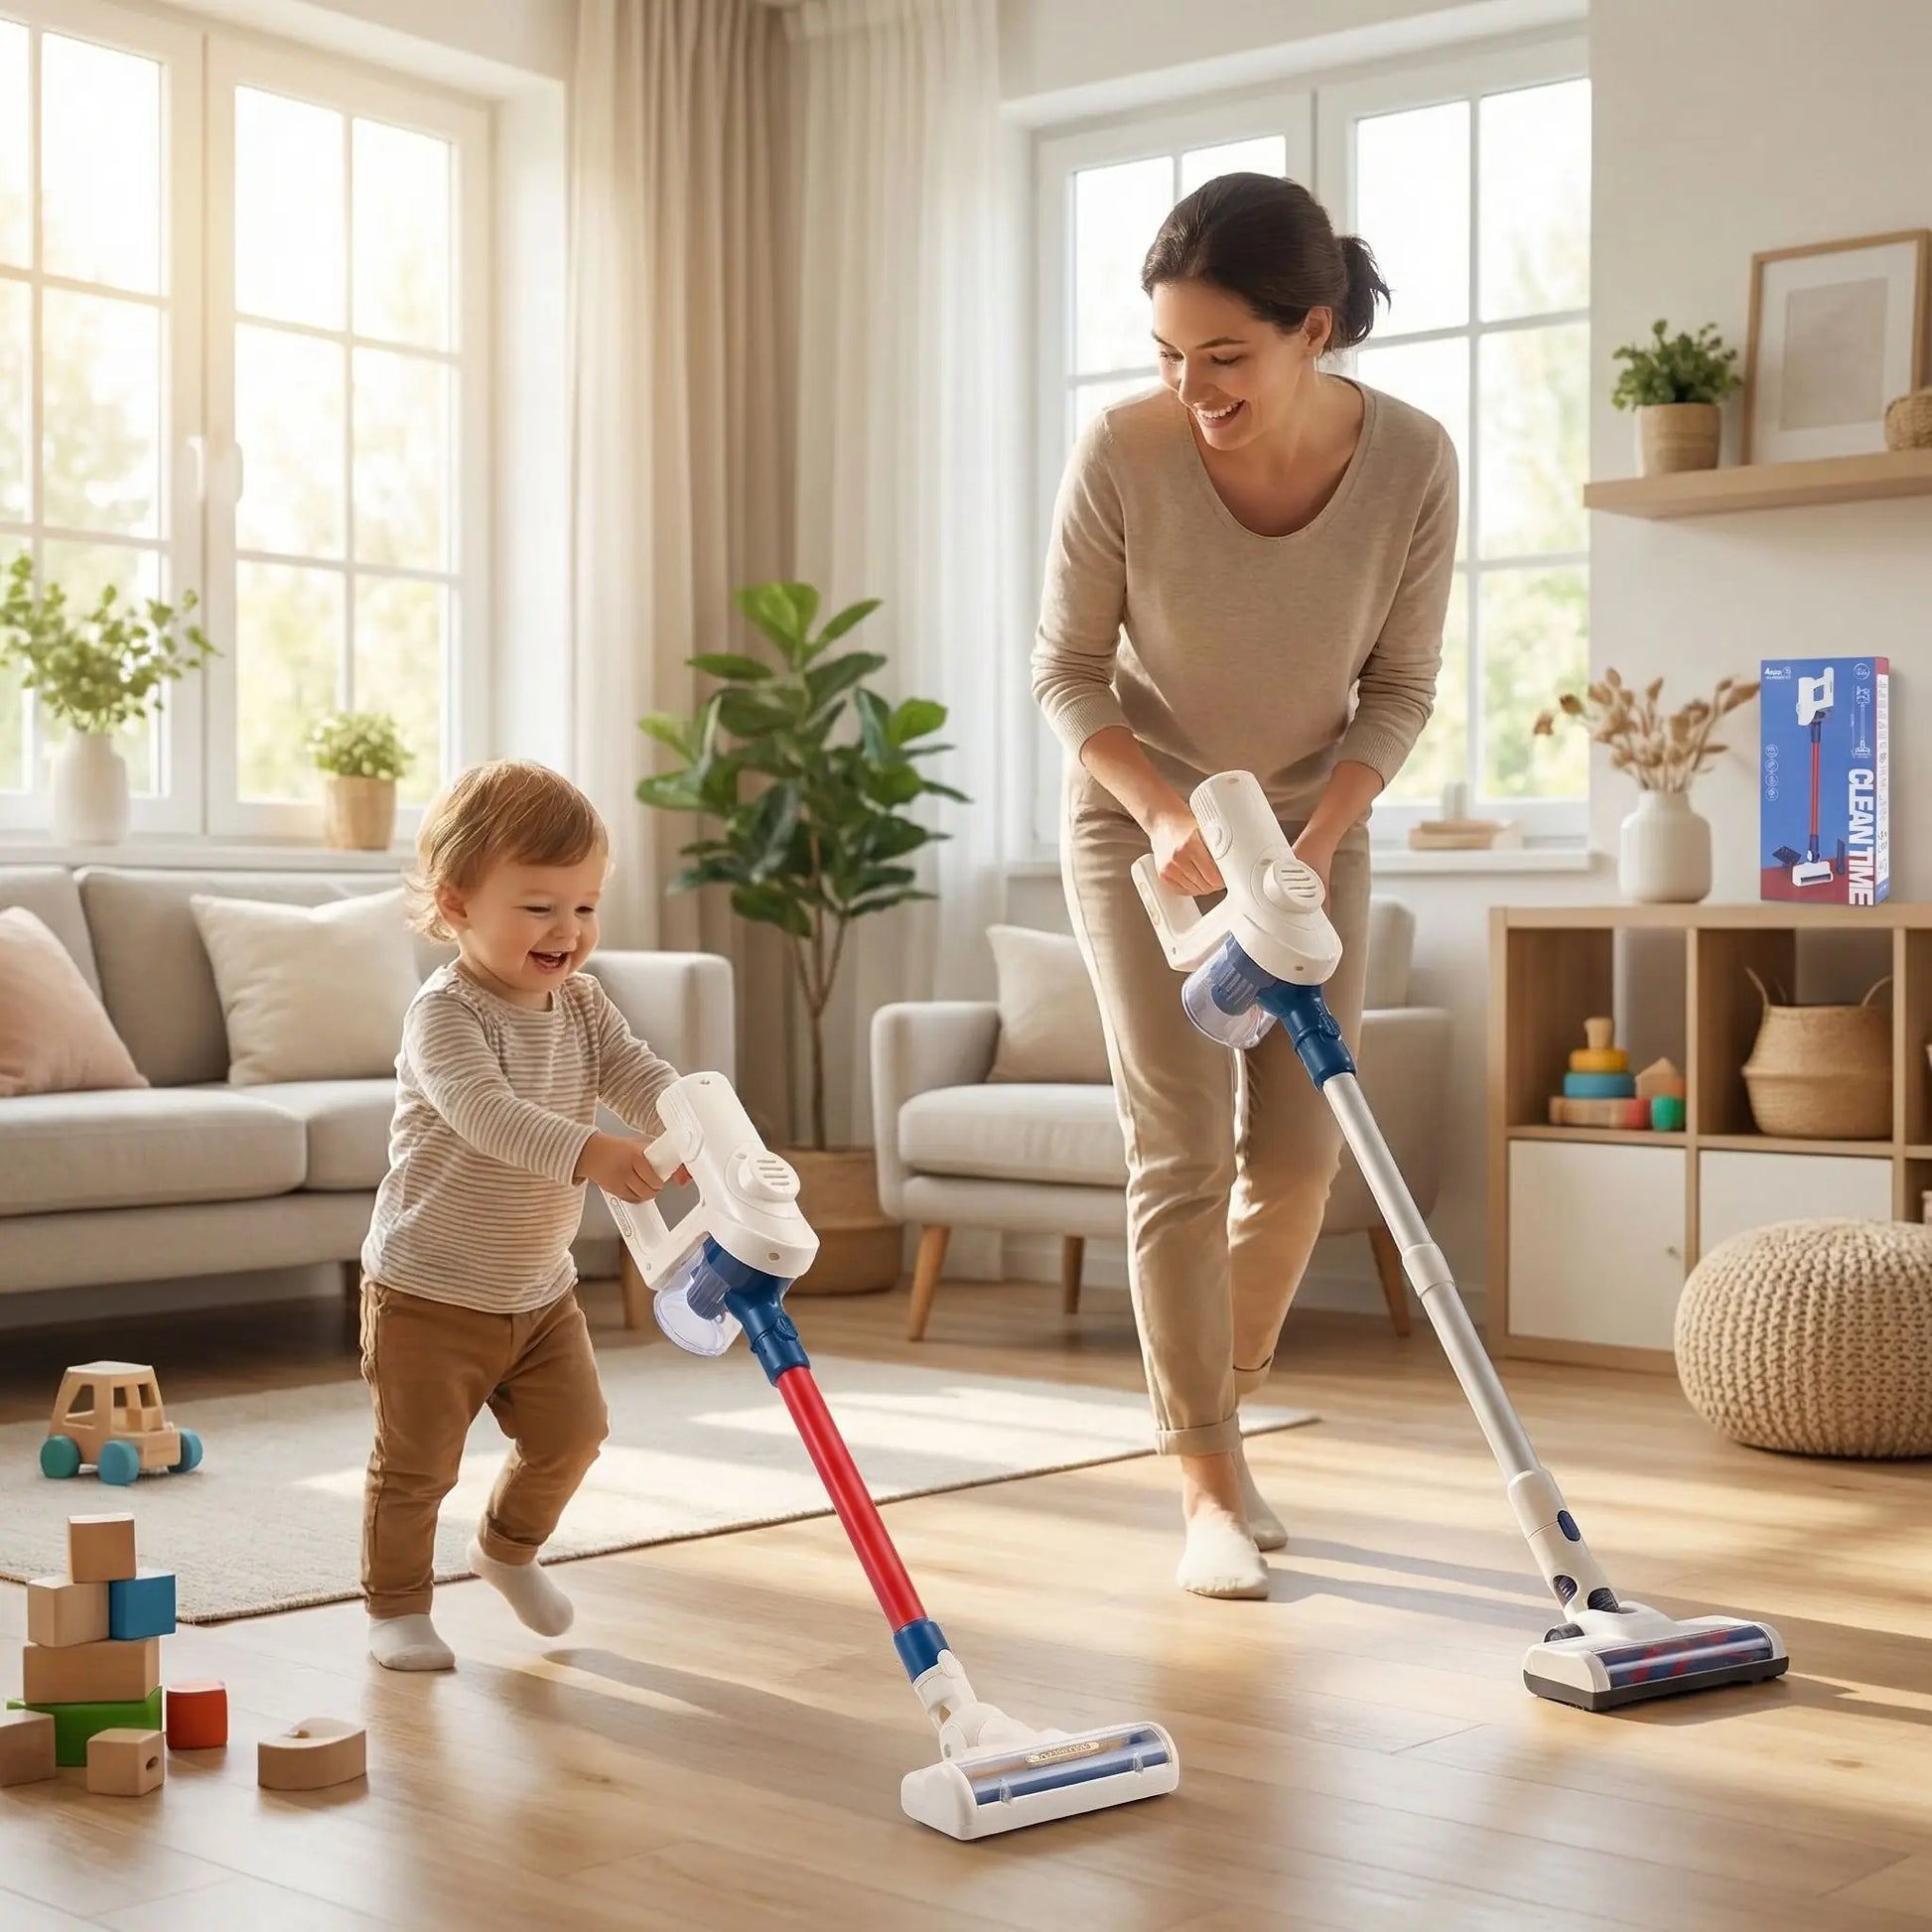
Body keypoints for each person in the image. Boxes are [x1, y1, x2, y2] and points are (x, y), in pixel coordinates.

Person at [1033, 173, 1457, 1599]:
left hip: (1305, 824)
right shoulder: (1123, 452)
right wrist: (1157, 812)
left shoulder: (1410, 462)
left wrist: (1320, 836)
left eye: (1224, 355)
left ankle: (1219, 1391)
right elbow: (1064, 672)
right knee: (1180, 1146)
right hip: (1139, 817)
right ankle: (1206, 1479)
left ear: (1311, 329)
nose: (1191, 385)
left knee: (1296, 1156)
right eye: (1167, 353)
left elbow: (1397, 686)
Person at [359, 759, 684, 1669]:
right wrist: (596, 1155)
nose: (568, 931)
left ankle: (505, 1551)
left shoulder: (580, 1000)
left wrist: (689, 1118)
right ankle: (397, 1609)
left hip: (537, 1290)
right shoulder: (447, 1015)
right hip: (428, 1288)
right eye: (540, 906)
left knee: (573, 1434)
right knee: (417, 1464)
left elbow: (633, 1070)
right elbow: (487, 1115)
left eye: (585, 907)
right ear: (458, 904)